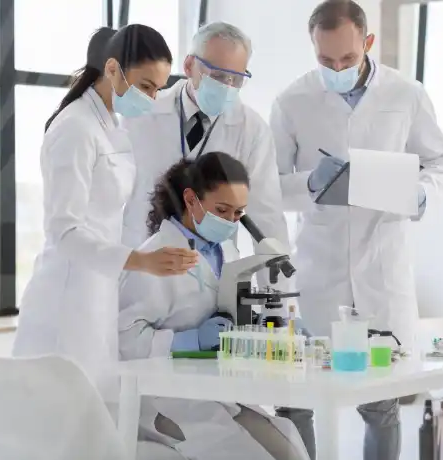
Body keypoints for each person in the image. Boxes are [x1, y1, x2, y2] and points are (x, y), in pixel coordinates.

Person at [270, 1, 443, 459]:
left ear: (368, 42)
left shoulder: (406, 94)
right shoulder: (291, 101)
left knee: (381, 403)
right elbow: (269, 187)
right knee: (296, 398)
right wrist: (308, 183)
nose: (336, 69)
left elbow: (439, 161)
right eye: (325, 60)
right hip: (318, 268)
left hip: (380, 264)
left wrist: (421, 194)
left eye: (347, 59)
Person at [12, 25, 198, 405]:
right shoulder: (75, 128)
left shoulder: (112, 127)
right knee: (59, 417)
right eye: (145, 86)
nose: (152, 98)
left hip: (97, 293)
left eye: (158, 89)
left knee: (96, 415)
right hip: (65, 300)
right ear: (112, 69)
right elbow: (65, 231)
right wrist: (140, 261)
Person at [119, 152, 310, 460]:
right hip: (166, 397)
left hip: (216, 389)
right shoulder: (156, 256)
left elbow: (228, 312)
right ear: (191, 200)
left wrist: (270, 328)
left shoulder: (226, 253)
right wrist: (191, 339)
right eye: (221, 210)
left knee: (289, 447)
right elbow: (126, 341)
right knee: (247, 452)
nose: (229, 222)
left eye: (238, 214)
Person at [121, 22, 290, 290]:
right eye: (219, 76)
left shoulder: (252, 130)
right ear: (190, 66)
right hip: (144, 264)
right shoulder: (141, 116)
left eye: (237, 79)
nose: (228, 87)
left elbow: (267, 219)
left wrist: (278, 300)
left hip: (211, 274)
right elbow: (111, 200)